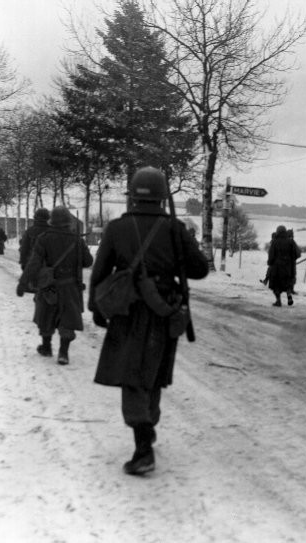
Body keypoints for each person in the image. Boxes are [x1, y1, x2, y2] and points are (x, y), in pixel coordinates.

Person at [88, 166, 208, 476]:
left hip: (128, 312)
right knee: (153, 373)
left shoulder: (116, 228)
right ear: (161, 197)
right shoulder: (175, 228)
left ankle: (143, 449)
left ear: (132, 196)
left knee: (132, 376)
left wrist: (97, 309)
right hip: (164, 311)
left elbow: (99, 272)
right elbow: (199, 270)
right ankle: (148, 426)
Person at [17, 206, 93, 365]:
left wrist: (23, 283)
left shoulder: (44, 238)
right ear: (68, 221)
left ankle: (46, 347)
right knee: (68, 319)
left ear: (52, 221)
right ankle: (63, 353)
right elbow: (88, 261)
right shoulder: (77, 240)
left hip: (48, 286)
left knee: (46, 315)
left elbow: (34, 264)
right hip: (70, 287)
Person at [266, 225, 300, 307]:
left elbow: (271, 255)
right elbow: (297, 254)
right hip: (288, 267)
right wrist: (290, 260)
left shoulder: (275, 242)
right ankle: (289, 295)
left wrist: (270, 263)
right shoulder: (291, 242)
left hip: (277, 268)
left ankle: (278, 301)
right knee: (287, 283)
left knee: (276, 285)